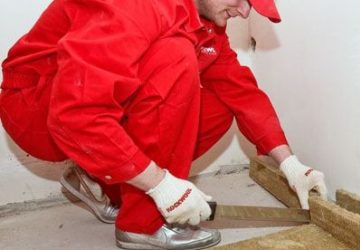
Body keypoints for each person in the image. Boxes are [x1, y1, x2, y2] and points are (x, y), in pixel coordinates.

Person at [0, 0, 328, 249]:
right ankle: (141, 223)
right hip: (36, 109)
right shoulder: (138, 5)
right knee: (175, 55)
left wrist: (289, 162)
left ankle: (103, 183)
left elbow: (240, 91)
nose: (244, 12)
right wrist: (161, 185)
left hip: (81, 107)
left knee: (216, 107)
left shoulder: (201, 22)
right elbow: (74, 114)